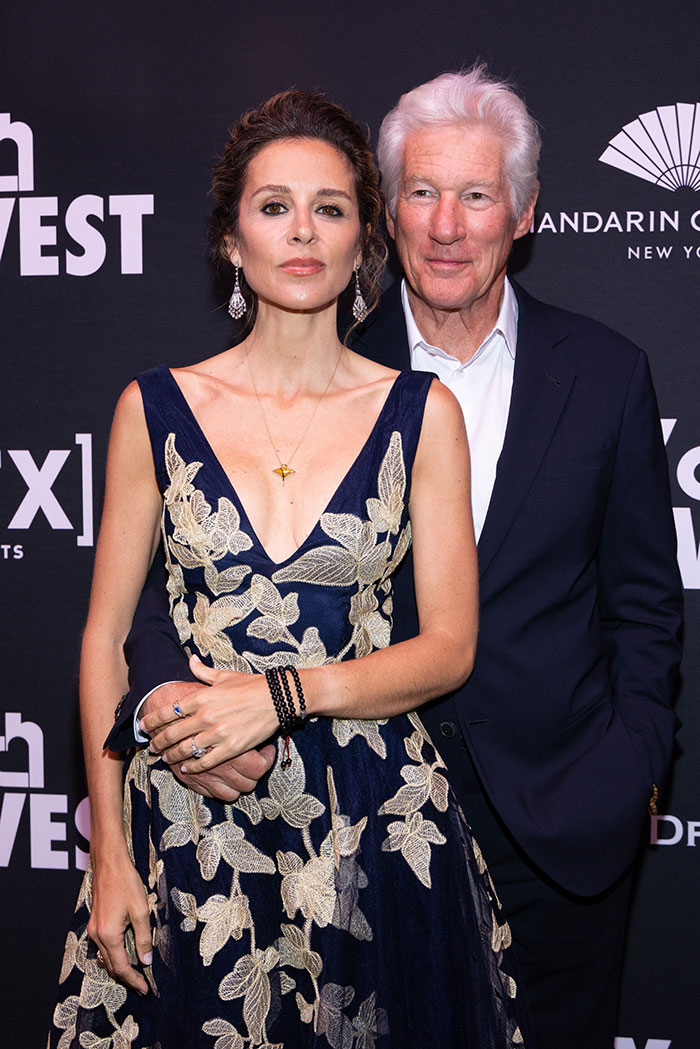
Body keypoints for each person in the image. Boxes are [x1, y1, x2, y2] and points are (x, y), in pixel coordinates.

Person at [110, 68, 683, 1049]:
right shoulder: (321, 352)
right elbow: (178, 589)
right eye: (421, 191)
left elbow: (643, 603)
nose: (447, 226)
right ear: (386, 214)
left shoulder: (607, 371)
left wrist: (631, 772)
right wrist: (171, 705)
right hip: (357, 820)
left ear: (525, 213)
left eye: (477, 194)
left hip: (559, 823)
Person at [50, 90, 532, 1049]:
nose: (303, 230)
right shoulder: (152, 408)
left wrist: (280, 694)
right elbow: (105, 637)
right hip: (188, 814)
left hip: (372, 823)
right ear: (233, 241)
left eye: (331, 208)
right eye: (274, 207)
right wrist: (109, 851)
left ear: (364, 242)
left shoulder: (422, 414)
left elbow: (449, 646)